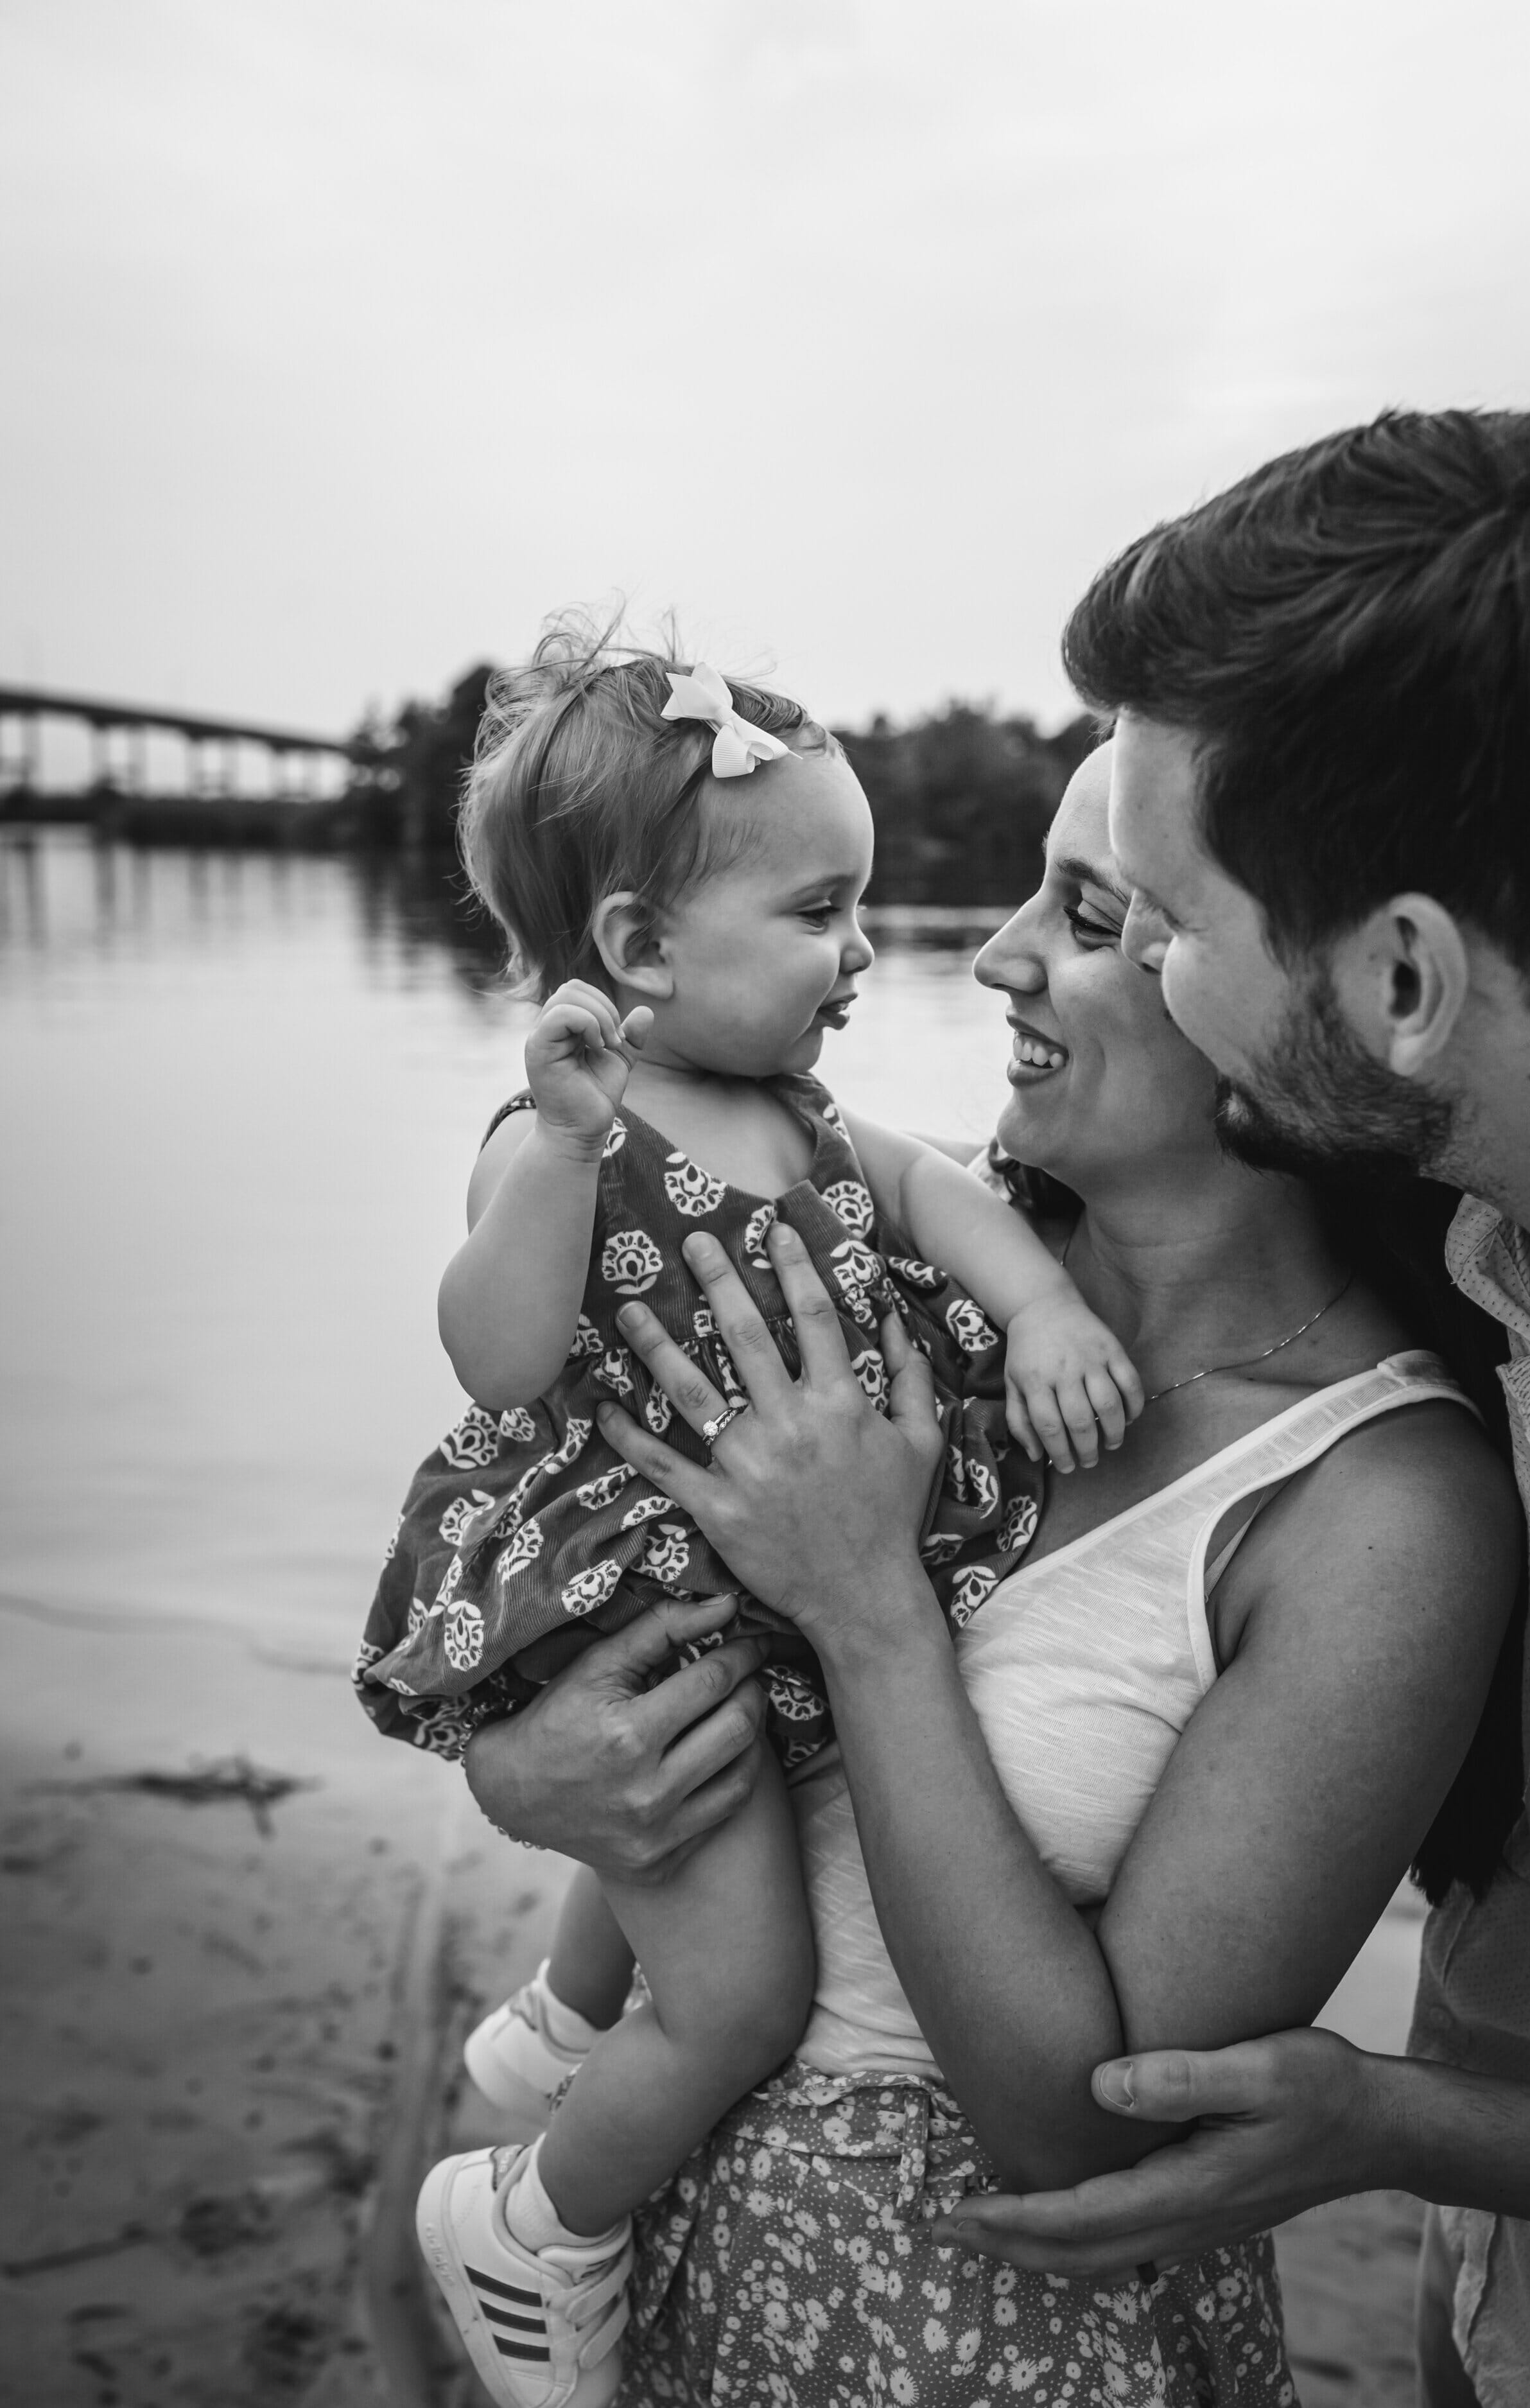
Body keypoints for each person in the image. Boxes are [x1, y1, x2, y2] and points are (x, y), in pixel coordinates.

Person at [447, 743, 1522, 2408]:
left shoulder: (1381, 1502)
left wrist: (870, 1609)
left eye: (1091, 911)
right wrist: (532, 1764)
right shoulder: (878, 1245)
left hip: (981, 2342)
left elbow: (1085, 2129)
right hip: (665, 2262)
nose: (994, 952)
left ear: (1298, 996)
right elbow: (591, 1540)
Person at [363, 613, 1145, 2408]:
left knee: (719, 1824)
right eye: (816, 916)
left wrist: (1039, 1310)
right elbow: (497, 1358)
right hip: (648, 1591)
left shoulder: (799, 1115)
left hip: (763, 1585)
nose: (865, 951)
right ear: (635, 946)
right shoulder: (571, 1124)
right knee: (741, 1995)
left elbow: (944, 1193)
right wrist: (552, 1156)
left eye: (858, 907)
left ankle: (562, 2022)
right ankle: (531, 2223)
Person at [939, 406, 1530, 2408]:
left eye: (1160, 920)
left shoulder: (1387, 1472)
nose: (1102, 960)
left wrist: (1392, 2129)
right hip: (1503, 2320)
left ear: (1400, 978)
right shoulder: (1492, 1248)